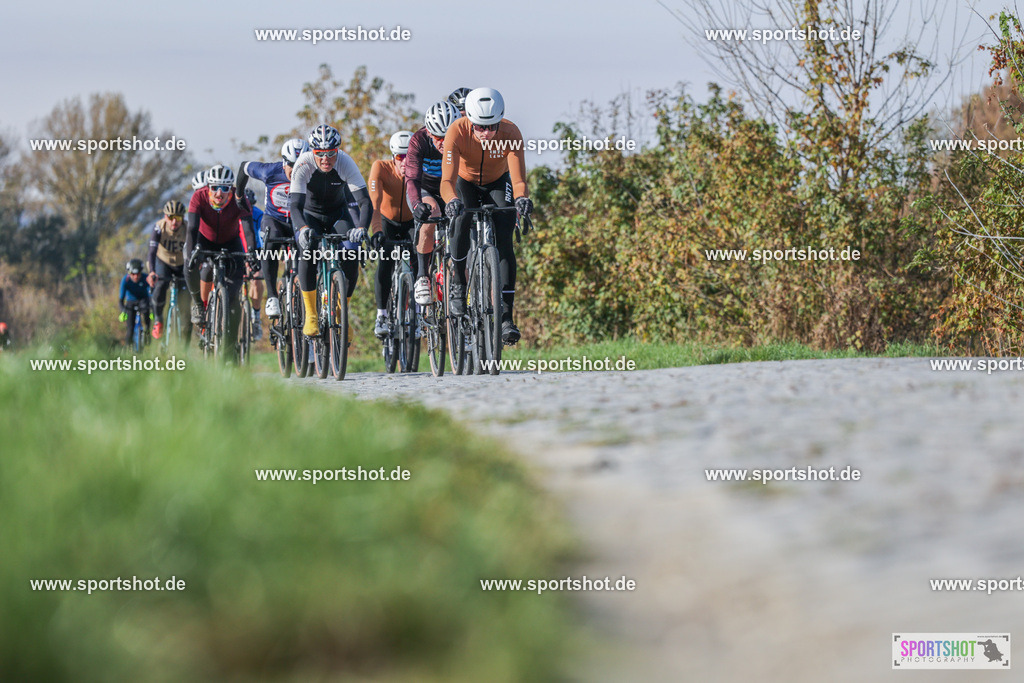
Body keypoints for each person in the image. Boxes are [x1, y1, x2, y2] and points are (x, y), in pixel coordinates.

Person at [441, 87, 533, 345]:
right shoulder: (456, 131)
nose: (485, 133)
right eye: (479, 127)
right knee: (461, 219)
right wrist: (451, 201)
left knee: (504, 239)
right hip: (465, 182)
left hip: (497, 182)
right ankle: (459, 282)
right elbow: (447, 179)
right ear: (469, 119)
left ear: (500, 119)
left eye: (491, 126)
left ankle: (505, 317)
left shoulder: (511, 132)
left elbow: (518, 178)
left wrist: (522, 198)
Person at [288, 124, 371, 337]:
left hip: (337, 214)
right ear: (312, 152)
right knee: (307, 253)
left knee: (352, 251)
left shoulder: (345, 162)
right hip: (309, 216)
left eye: (330, 153)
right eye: (320, 154)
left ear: (337, 151)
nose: (326, 159)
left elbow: (364, 202)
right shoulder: (303, 163)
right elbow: (295, 205)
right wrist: (304, 228)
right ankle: (312, 315)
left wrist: (361, 228)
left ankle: (343, 312)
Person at [184, 164, 257, 355]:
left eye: (225, 188)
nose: (219, 193)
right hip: (204, 241)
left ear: (231, 188)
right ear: (208, 187)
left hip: (231, 243)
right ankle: (199, 306)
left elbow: (248, 230)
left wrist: (251, 252)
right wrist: (191, 252)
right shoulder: (199, 197)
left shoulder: (240, 199)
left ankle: (229, 346)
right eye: (215, 187)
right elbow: (191, 229)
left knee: (233, 299)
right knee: (194, 266)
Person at [235, 138, 308, 322]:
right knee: (270, 241)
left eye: (302, 164)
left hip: (299, 222)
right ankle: (273, 297)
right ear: (284, 162)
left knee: (307, 251)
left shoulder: (312, 173)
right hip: (274, 220)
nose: (297, 170)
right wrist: (238, 195)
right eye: (292, 165)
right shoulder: (270, 171)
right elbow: (244, 166)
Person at [406, 100, 459, 305]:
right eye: (438, 138)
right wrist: (417, 204)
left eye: (448, 137)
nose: (444, 143)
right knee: (432, 213)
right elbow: (411, 178)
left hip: (452, 188)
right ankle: (422, 276)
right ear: (428, 132)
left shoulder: (462, 138)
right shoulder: (418, 140)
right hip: (426, 189)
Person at [368, 131, 415, 338]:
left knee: (422, 256)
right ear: (393, 156)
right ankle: (382, 315)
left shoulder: (419, 169)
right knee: (385, 260)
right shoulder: (381, 167)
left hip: (412, 222)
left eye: (409, 157)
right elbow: (374, 205)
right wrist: (377, 231)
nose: (405, 163)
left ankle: (422, 313)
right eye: (400, 158)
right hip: (387, 222)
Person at [146, 199, 190, 341]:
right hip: (163, 261)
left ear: (182, 218)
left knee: (186, 298)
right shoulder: (159, 227)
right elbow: (152, 252)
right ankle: (158, 319)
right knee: (160, 286)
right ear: (165, 217)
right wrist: (152, 272)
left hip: (181, 263)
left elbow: (194, 249)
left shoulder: (188, 228)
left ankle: (185, 338)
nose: (173, 222)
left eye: (177, 218)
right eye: (170, 217)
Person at [119, 258, 152, 346]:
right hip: (130, 302)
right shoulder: (125, 280)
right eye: (133, 274)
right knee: (130, 328)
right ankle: (128, 348)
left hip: (143, 301)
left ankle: (147, 335)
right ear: (129, 273)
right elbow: (121, 299)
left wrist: (152, 310)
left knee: (146, 314)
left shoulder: (146, 278)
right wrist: (123, 311)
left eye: (138, 274)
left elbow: (151, 295)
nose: (136, 277)